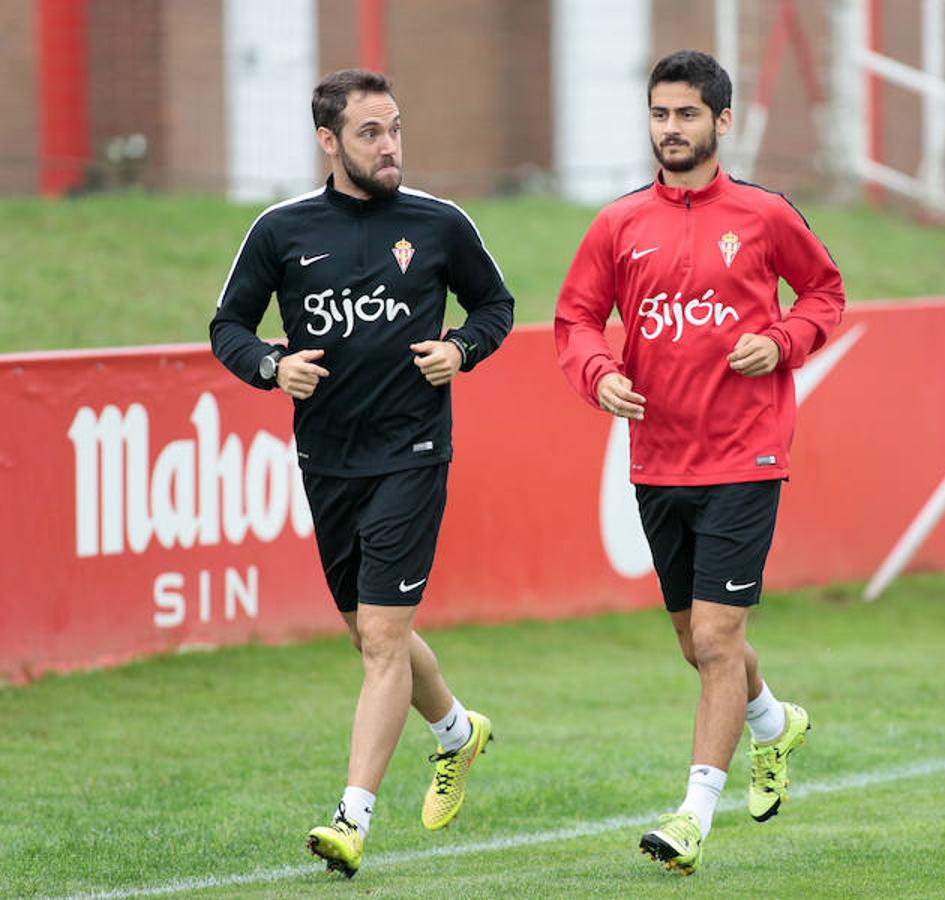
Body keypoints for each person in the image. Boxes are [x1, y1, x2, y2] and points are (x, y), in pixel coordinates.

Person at [210, 69, 514, 879]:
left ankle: (352, 818)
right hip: (327, 461)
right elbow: (228, 326)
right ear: (329, 141)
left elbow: (496, 307)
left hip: (413, 454)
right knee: (369, 634)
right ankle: (457, 732)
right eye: (371, 132)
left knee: (382, 636)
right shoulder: (282, 230)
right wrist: (272, 367)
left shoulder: (440, 223)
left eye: (396, 128)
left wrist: (461, 349)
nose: (390, 147)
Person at [554, 50, 846, 875]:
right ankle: (772, 725)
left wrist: (783, 341)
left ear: (722, 122)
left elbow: (825, 294)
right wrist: (599, 374)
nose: (670, 129)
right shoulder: (617, 224)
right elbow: (575, 319)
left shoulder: (764, 214)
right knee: (698, 643)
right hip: (656, 461)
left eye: (686, 115)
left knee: (718, 637)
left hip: (747, 456)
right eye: (659, 115)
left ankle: (691, 816)